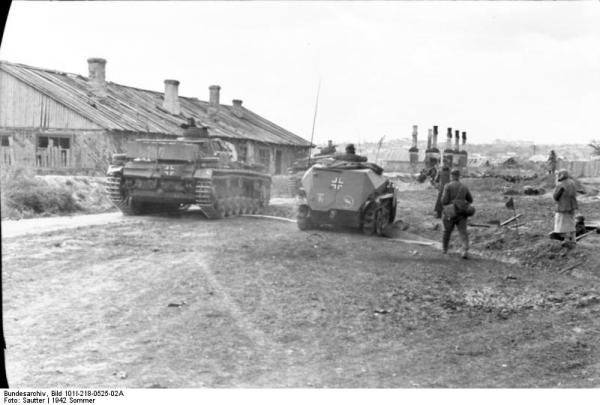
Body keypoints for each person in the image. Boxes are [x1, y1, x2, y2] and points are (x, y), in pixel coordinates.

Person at [441, 168, 473, 258]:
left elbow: (444, 201)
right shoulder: (464, 187)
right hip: (462, 213)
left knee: (447, 231)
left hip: (450, 213)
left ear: (451, 176)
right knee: (463, 232)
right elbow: (470, 200)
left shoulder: (447, 186)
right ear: (458, 176)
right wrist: (462, 203)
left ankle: (445, 249)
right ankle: (464, 250)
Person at [552, 169, 578, 244]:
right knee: (571, 222)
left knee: (563, 223)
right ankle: (573, 239)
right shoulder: (572, 182)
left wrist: (556, 183)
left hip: (563, 206)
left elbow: (556, 197)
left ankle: (566, 239)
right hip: (572, 205)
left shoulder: (561, 185)